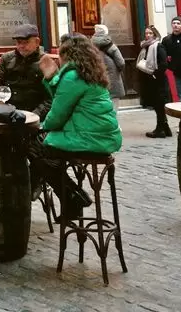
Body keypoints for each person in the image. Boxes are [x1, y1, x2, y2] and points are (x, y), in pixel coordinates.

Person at [34, 33, 123, 220]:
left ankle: (73, 197)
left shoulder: (72, 77)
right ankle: (67, 199)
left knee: (35, 147)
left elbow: (56, 117)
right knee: (44, 149)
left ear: (66, 55)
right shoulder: (90, 72)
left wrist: (40, 126)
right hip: (104, 137)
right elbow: (65, 100)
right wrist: (51, 78)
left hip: (89, 139)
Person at [0, 23, 51, 118]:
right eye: (19, 42)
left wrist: (33, 116)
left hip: (34, 114)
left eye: (26, 42)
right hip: (7, 113)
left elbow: (50, 98)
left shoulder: (45, 62)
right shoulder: (7, 59)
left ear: (37, 42)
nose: (21, 46)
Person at [137, 25, 172, 138]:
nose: (147, 35)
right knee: (157, 105)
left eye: (150, 33)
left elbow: (164, 63)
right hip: (149, 80)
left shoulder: (158, 46)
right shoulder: (145, 47)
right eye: (146, 33)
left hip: (158, 81)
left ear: (155, 34)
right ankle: (165, 127)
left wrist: (155, 74)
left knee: (159, 105)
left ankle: (160, 129)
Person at [92, 24, 126, 107]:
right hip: (113, 80)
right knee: (113, 107)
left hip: (98, 80)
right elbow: (121, 62)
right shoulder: (111, 46)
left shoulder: (90, 47)